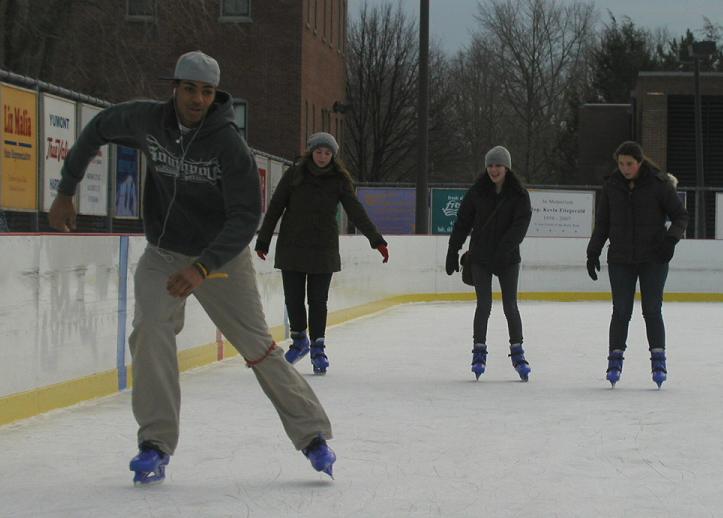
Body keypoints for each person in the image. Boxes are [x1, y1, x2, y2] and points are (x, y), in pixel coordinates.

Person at [48, 51, 336, 485]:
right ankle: (155, 443)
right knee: (149, 332)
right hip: (163, 254)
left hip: (220, 258)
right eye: (189, 89)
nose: (197, 99)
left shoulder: (228, 144)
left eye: (206, 92)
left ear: (215, 96)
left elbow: (245, 216)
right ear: (174, 88)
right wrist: (66, 190)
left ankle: (312, 434)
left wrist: (202, 267)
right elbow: (97, 130)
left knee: (257, 347)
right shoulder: (147, 120)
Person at [254, 132, 389, 374]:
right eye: (318, 152)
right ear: (310, 152)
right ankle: (299, 341)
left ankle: (318, 347)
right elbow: (275, 206)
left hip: (323, 248)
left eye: (327, 153)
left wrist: (376, 239)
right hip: (292, 247)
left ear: (333, 156)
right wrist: (263, 240)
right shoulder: (294, 175)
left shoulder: (339, 180)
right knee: (293, 299)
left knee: (318, 302)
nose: (322, 157)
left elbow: (355, 211)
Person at [586, 141, 688, 388]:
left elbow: (680, 216)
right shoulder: (611, 185)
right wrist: (593, 252)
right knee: (621, 311)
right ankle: (615, 359)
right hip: (620, 259)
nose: (625, 168)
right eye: (621, 164)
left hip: (653, 258)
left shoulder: (659, 184)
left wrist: (671, 240)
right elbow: (603, 223)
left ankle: (658, 360)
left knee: (652, 310)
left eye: (629, 164)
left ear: (639, 162)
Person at [445, 146, 532, 381]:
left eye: (498, 165)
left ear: (507, 168)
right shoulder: (477, 192)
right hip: (481, 257)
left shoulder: (519, 195)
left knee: (510, 306)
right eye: (490, 165)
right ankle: (479, 351)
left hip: (507, 258)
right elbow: (462, 221)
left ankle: (518, 352)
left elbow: (520, 226)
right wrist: (453, 250)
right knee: (483, 305)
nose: (494, 170)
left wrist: (503, 250)